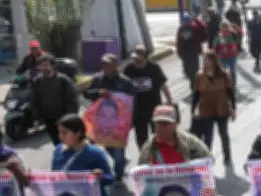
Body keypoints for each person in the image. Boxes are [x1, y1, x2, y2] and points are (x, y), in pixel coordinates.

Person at [83, 53, 137, 183]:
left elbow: (132, 102)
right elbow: (86, 94)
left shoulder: (125, 82)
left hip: (119, 123)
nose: (105, 67)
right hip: (101, 122)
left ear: (115, 66)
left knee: (118, 150)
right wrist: (98, 93)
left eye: (108, 64)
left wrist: (131, 121)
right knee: (107, 146)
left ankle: (118, 175)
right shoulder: (97, 79)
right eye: (103, 64)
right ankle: (121, 163)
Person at [124, 45, 174, 149]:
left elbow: (163, 85)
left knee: (158, 136)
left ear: (146, 58)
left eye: (139, 60)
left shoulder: (154, 68)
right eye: (135, 60)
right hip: (137, 111)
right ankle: (145, 158)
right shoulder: (129, 69)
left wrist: (170, 101)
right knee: (141, 139)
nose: (136, 62)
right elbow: (123, 88)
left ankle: (159, 157)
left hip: (154, 108)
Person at [192, 51, 236, 165]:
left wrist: (233, 109)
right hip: (206, 110)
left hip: (222, 109)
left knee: (223, 134)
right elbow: (196, 94)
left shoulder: (224, 75)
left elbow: (230, 93)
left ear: (213, 62)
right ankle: (207, 158)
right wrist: (193, 110)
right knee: (208, 136)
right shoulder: (200, 76)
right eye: (204, 60)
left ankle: (227, 156)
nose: (205, 63)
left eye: (207, 60)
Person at [31, 54, 78, 146]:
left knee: (68, 143)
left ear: (52, 66)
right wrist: (36, 118)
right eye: (41, 65)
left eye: (46, 65)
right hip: (48, 119)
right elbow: (35, 100)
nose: (43, 68)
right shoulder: (37, 81)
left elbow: (72, 100)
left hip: (63, 118)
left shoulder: (63, 80)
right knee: (57, 144)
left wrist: (70, 118)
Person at [176, 13, 206, 90]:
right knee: (187, 70)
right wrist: (179, 52)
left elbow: (203, 33)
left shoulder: (195, 27)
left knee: (195, 69)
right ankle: (194, 81)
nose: (187, 23)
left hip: (194, 52)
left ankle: (195, 84)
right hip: (185, 53)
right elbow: (179, 41)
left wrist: (198, 21)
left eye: (188, 21)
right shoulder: (181, 29)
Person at [213, 20, 242, 87]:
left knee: (232, 71)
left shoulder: (232, 33)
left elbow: (240, 33)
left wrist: (235, 26)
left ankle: (233, 85)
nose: (224, 27)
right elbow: (215, 46)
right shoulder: (218, 35)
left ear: (228, 26)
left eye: (226, 26)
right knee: (223, 71)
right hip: (222, 56)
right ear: (220, 27)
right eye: (223, 26)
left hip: (232, 56)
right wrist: (215, 54)